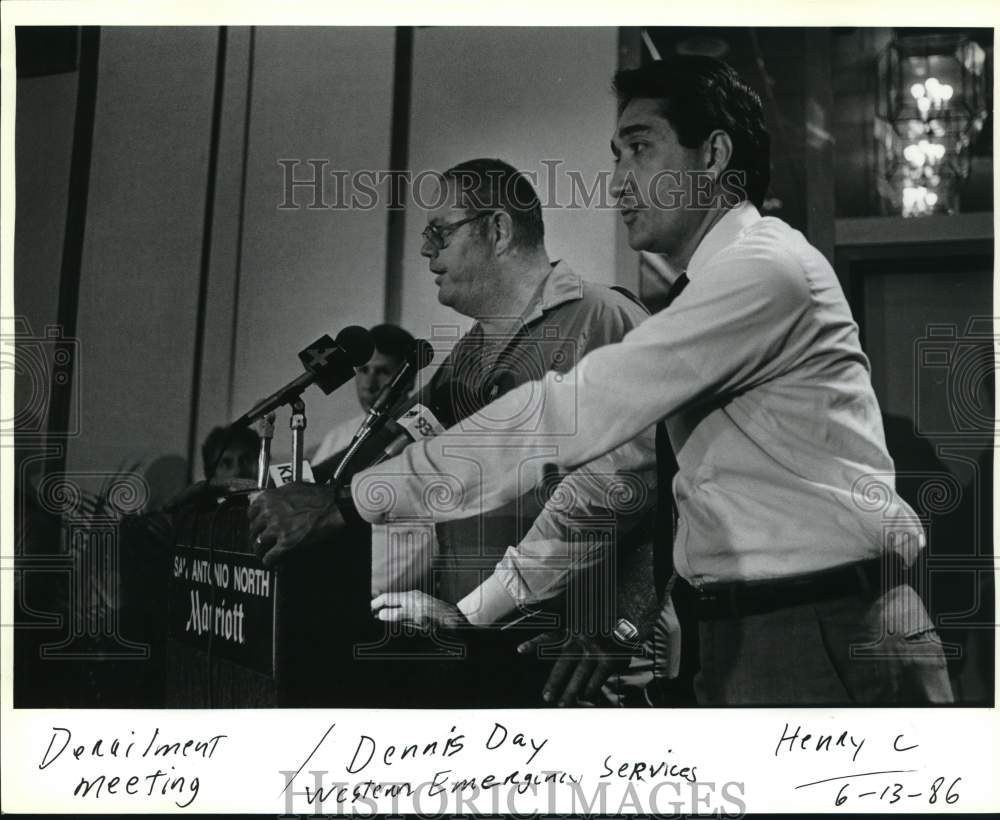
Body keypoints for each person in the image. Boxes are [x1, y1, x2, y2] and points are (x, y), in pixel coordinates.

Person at [252, 57, 955, 706]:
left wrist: (352, 503)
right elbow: (614, 473)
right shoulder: (708, 286)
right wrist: (473, 612)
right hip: (757, 633)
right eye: (615, 156)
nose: (617, 179)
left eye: (641, 148)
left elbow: (572, 418)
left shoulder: (760, 272)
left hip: (818, 628)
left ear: (712, 156)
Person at [253, 158, 661, 707]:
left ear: (497, 230)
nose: (425, 251)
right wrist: (298, 488)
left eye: (439, 233)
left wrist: (485, 610)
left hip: (567, 658)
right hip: (479, 642)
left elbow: (625, 497)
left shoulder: (601, 317)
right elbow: (399, 442)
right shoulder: (472, 350)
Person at [311, 323, 418, 465]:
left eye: (383, 372)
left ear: (409, 379)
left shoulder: (422, 432)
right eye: (363, 370)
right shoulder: (337, 436)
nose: (369, 384)